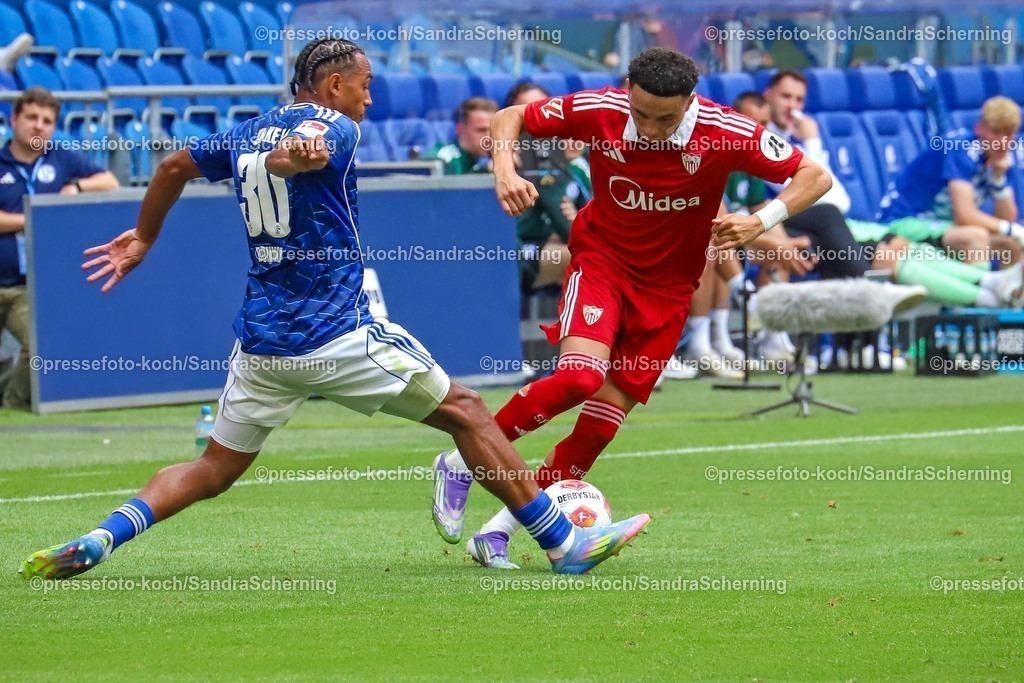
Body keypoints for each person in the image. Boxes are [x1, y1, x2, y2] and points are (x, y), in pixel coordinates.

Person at [19, 39, 650, 582]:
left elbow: (172, 164)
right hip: (336, 331)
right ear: (333, 85)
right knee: (468, 411)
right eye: (365, 87)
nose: (370, 101)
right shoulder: (333, 127)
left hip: (261, 345)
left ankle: (101, 538)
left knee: (212, 468)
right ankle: (564, 544)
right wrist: (290, 158)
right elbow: (306, 146)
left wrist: (144, 237)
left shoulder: (243, 129)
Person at [431, 47, 833, 568]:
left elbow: (815, 176)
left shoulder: (727, 129)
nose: (649, 127)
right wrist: (504, 168)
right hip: (603, 265)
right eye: (640, 113)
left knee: (599, 426)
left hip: (668, 291)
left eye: (665, 118)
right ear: (627, 90)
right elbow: (511, 117)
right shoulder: (601, 108)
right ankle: (462, 458)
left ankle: (497, 534)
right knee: (578, 378)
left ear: (690, 101)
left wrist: (762, 219)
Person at [0, 86, 119, 410]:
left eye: (47, 121)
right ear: (14, 119)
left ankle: (10, 407)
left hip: (31, 285)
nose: (39, 126)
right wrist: (34, 216)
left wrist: (77, 185)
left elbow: (110, 182)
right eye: (32, 118)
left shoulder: (61, 158)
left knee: (38, 347)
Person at [879, 95, 1024, 265]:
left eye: (1008, 133)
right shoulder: (960, 148)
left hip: (943, 228)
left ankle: (1008, 291)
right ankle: (979, 291)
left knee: (1012, 245)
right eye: (996, 132)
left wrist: (998, 179)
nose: (1002, 142)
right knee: (975, 238)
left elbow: (1006, 219)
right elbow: (965, 215)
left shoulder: (1000, 159)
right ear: (979, 129)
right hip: (903, 221)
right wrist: (1011, 229)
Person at [423, 97, 499, 174]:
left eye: (493, 130)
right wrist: (484, 171)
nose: (489, 137)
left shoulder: (480, 160)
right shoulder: (445, 158)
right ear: (459, 129)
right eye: (481, 130)